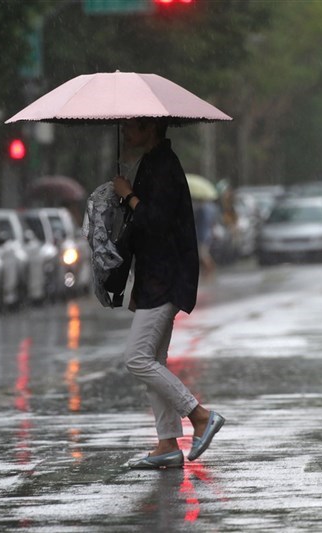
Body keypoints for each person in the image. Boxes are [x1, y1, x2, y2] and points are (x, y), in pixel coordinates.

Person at [112, 117, 225, 469]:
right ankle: (167, 444)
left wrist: (128, 195)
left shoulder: (164, 166)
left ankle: (200, 415)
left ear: (150, 128)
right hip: (154, 277)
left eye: (131, 127)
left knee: (137, 357)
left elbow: (155, 223)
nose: (125, 133)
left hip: (166, 277)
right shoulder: (152, 163)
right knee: (153, 361)